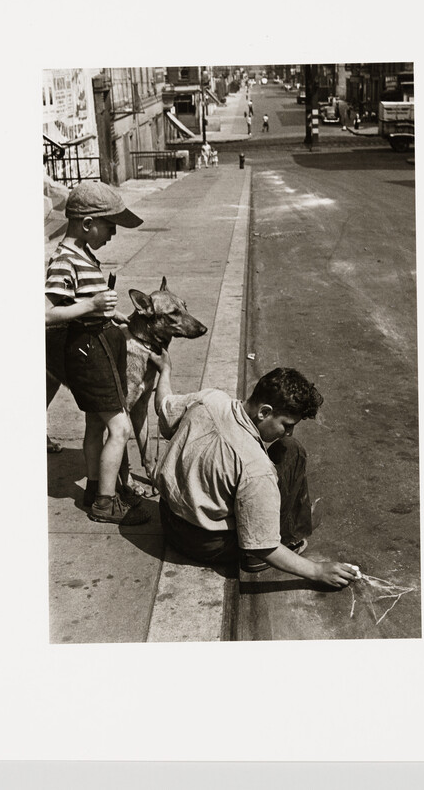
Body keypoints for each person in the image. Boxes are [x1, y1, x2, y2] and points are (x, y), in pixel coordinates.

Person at [149, 353, 360, 588]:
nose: (288, 432)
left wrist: (165, 370)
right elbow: (263, 546)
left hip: (169, 521)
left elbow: (163, 406)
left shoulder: (209, 398)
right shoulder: (256, 467)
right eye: (286, 425)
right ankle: (290, 537)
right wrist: (317, 571)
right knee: (292, 450)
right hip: (208, 544)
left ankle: (294, 524)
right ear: (264, 412)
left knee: (280, 453)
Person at [44, 180, 151, 525]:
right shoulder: (63, 259)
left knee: (95, 423)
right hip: (91, 349)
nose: (113, 234)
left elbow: (80, 304)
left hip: (99, 341)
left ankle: (94, 487)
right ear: (88, 224)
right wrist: (91, 304)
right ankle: (105, 503)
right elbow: (45, 312)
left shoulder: (83, 255)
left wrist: (106, 312)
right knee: (118, 427)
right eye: (110, 225)